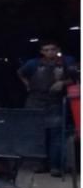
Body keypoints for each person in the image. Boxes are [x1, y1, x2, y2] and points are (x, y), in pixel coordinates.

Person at [18, 41, 78, 177]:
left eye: (52, 49)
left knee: (56, 136)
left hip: (55, 102)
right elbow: (20, 73)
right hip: (35, 102)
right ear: (42, 52)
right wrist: (27, 85)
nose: (50, 52)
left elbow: (75, 78)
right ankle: (40, 164)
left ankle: (55, 166)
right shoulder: (33, 64)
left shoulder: (66, 62)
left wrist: (62, 82)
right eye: (46, 50)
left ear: (58, 49)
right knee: (37, 135)